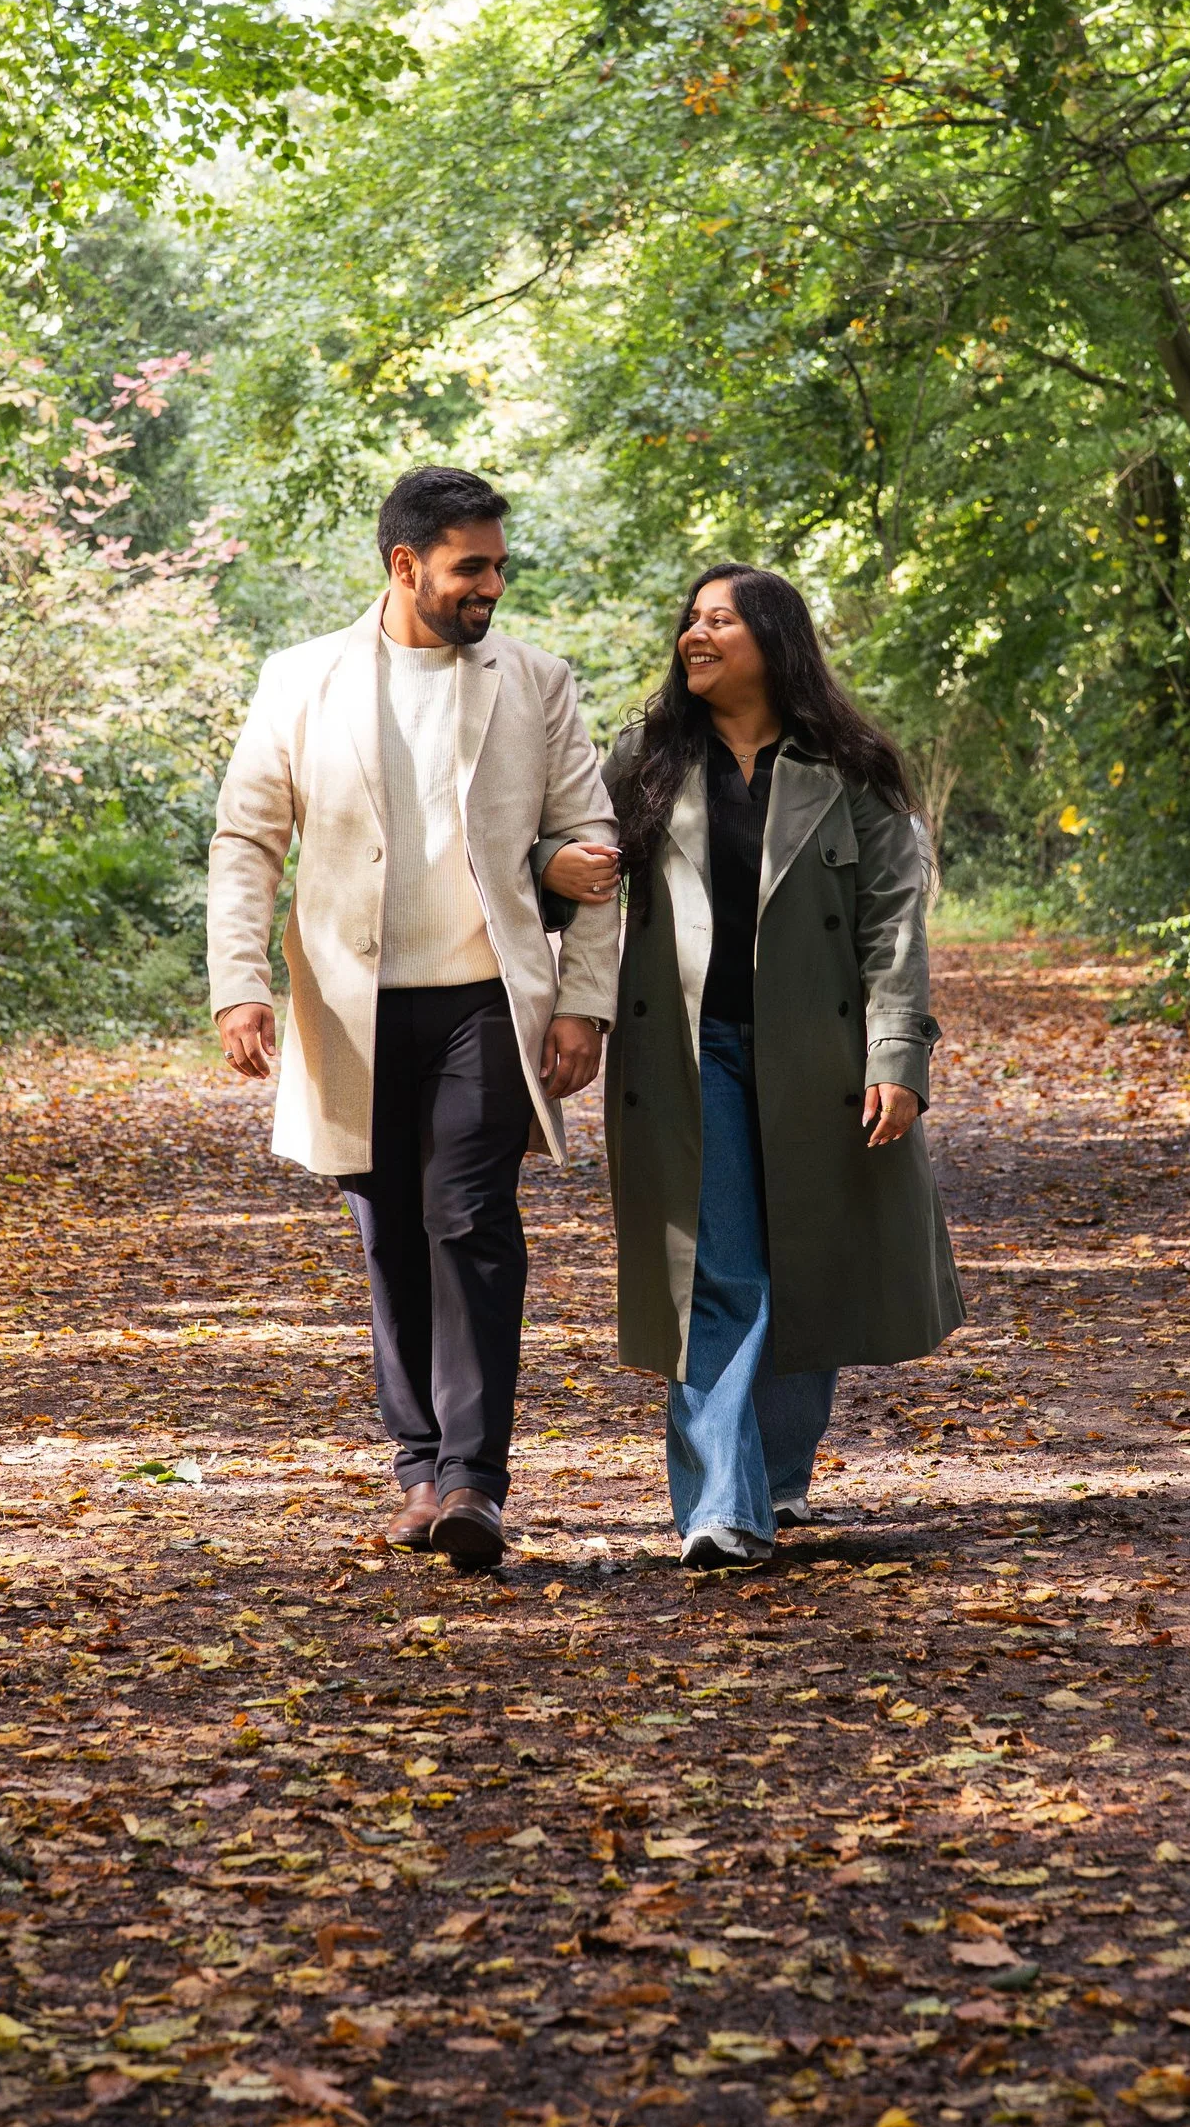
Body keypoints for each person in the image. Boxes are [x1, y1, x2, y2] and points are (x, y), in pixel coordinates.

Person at [208, 466, 622, 1573]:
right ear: (406, 566)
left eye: (497, 564)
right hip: (350, 1008)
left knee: (469, 1219)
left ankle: (475, 1485)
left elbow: (594, 844)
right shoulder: (302, 680)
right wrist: (238, 982)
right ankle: (418, 1467)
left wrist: (584, 1001)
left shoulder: (534, 681)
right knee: (389, 1232)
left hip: (487, 998)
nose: (491, 584)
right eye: (469, 567)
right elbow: (247, 839)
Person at [600, 565, 963, 1570]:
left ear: (773, 639)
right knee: (717, 1272)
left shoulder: (853, 767)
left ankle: (776, 1471)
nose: (695, 634)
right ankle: (722, 1504)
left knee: (807, 1260)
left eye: (720, 619)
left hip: (821, 1058)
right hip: (686, 1055)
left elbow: (894, 923)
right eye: (691, 619)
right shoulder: (646, 758)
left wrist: (897, 1055)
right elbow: (579, 883)